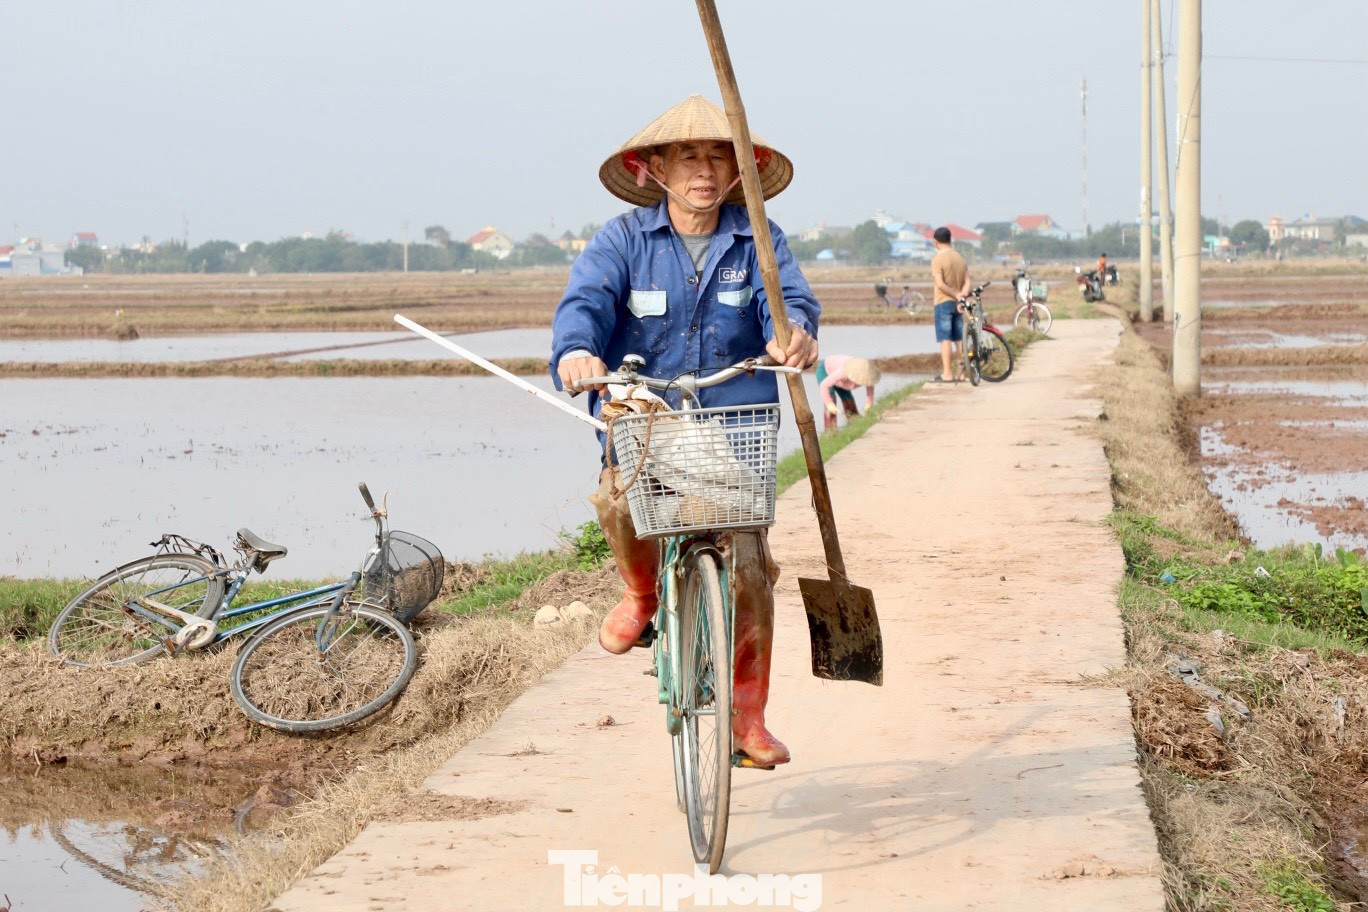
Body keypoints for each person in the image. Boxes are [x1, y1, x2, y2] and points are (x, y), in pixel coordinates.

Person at [550, 95, 820, 767]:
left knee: (749, 566)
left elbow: (786, 299)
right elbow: (585, 303)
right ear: (656, 169)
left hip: (735, 424)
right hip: (647, 415)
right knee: (620, 499)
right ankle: (642, 593)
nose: (704, 171)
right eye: (689, 157)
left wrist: (793, 335)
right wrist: (577, 352)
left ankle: (748, 717)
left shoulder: (758, 237)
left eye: (719, 157)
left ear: (739, 170)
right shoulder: (622, 240)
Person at [930, 226, 971, 382]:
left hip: (943, 302)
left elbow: (940, 284)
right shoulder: (959, 257)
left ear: (936, 241)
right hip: (958, 304)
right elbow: (968, 281)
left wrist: (954, 294)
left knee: (945, 338)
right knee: (959, 339)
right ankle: (962, 373)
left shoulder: (937, 259)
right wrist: (961, 295)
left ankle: (947, 374)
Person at [816, 355, 880, 429]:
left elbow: (870, 391)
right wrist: (829, 404)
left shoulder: (868, 376)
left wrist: (868, 404)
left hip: (842, 380)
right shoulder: (843, 373)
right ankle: (830, 430)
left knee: (848, 398)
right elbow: (824, 385)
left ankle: (854, 424)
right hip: (825, 370)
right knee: (831, 400)